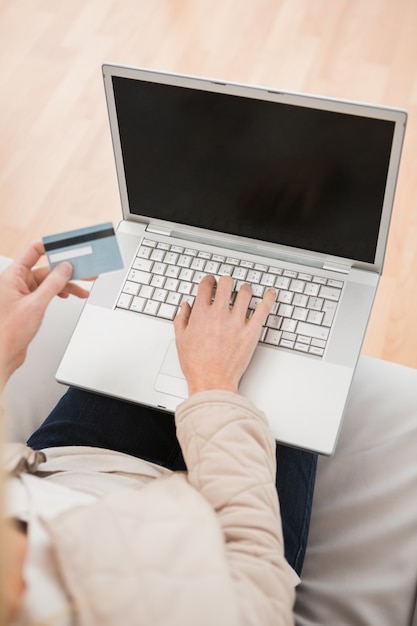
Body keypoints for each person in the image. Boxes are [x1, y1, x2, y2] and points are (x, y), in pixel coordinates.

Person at [0, 241, 317, 625]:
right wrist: (213, 383)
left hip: (75, 465)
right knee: (300, 363)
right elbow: (257, 584)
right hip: (223, 543)